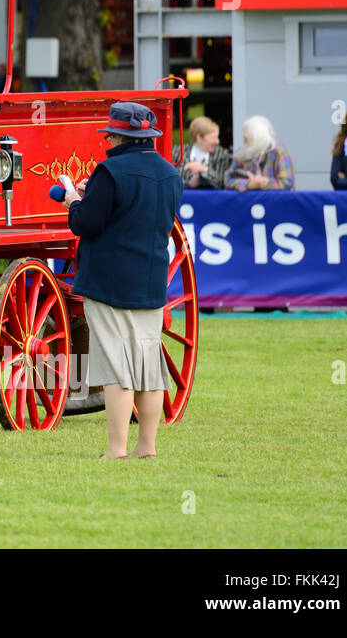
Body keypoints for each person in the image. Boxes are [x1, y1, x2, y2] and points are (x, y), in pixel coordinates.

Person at [58, 102, 182, 460]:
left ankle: (116, 449)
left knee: (116, 365)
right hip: (150, 282)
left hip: (108, 281)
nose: (107, 141)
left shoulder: (109, 171)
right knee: (149, 365)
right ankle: (147, 447)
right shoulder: (171, 174)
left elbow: (86, 224)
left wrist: (72, 200)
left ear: (119, 136)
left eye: (109, 135)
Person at [226, 115, 294, 191]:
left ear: (258, 138)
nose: (243, 142)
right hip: (250, 201)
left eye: (246, 138)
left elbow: (287, 182)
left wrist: (264, 183)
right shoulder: (242, 153)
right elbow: (227, 179)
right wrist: (248, 184)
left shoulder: (279, 151)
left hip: (274, 201)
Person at [171, 115, 231, 189]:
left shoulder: (220, 154)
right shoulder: (179, 152)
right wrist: (189, 184)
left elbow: (222, 182)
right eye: (213, 138)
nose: (217, 142)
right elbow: (172, 180)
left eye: (217, 137)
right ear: (199, 138)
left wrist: (203, 169)